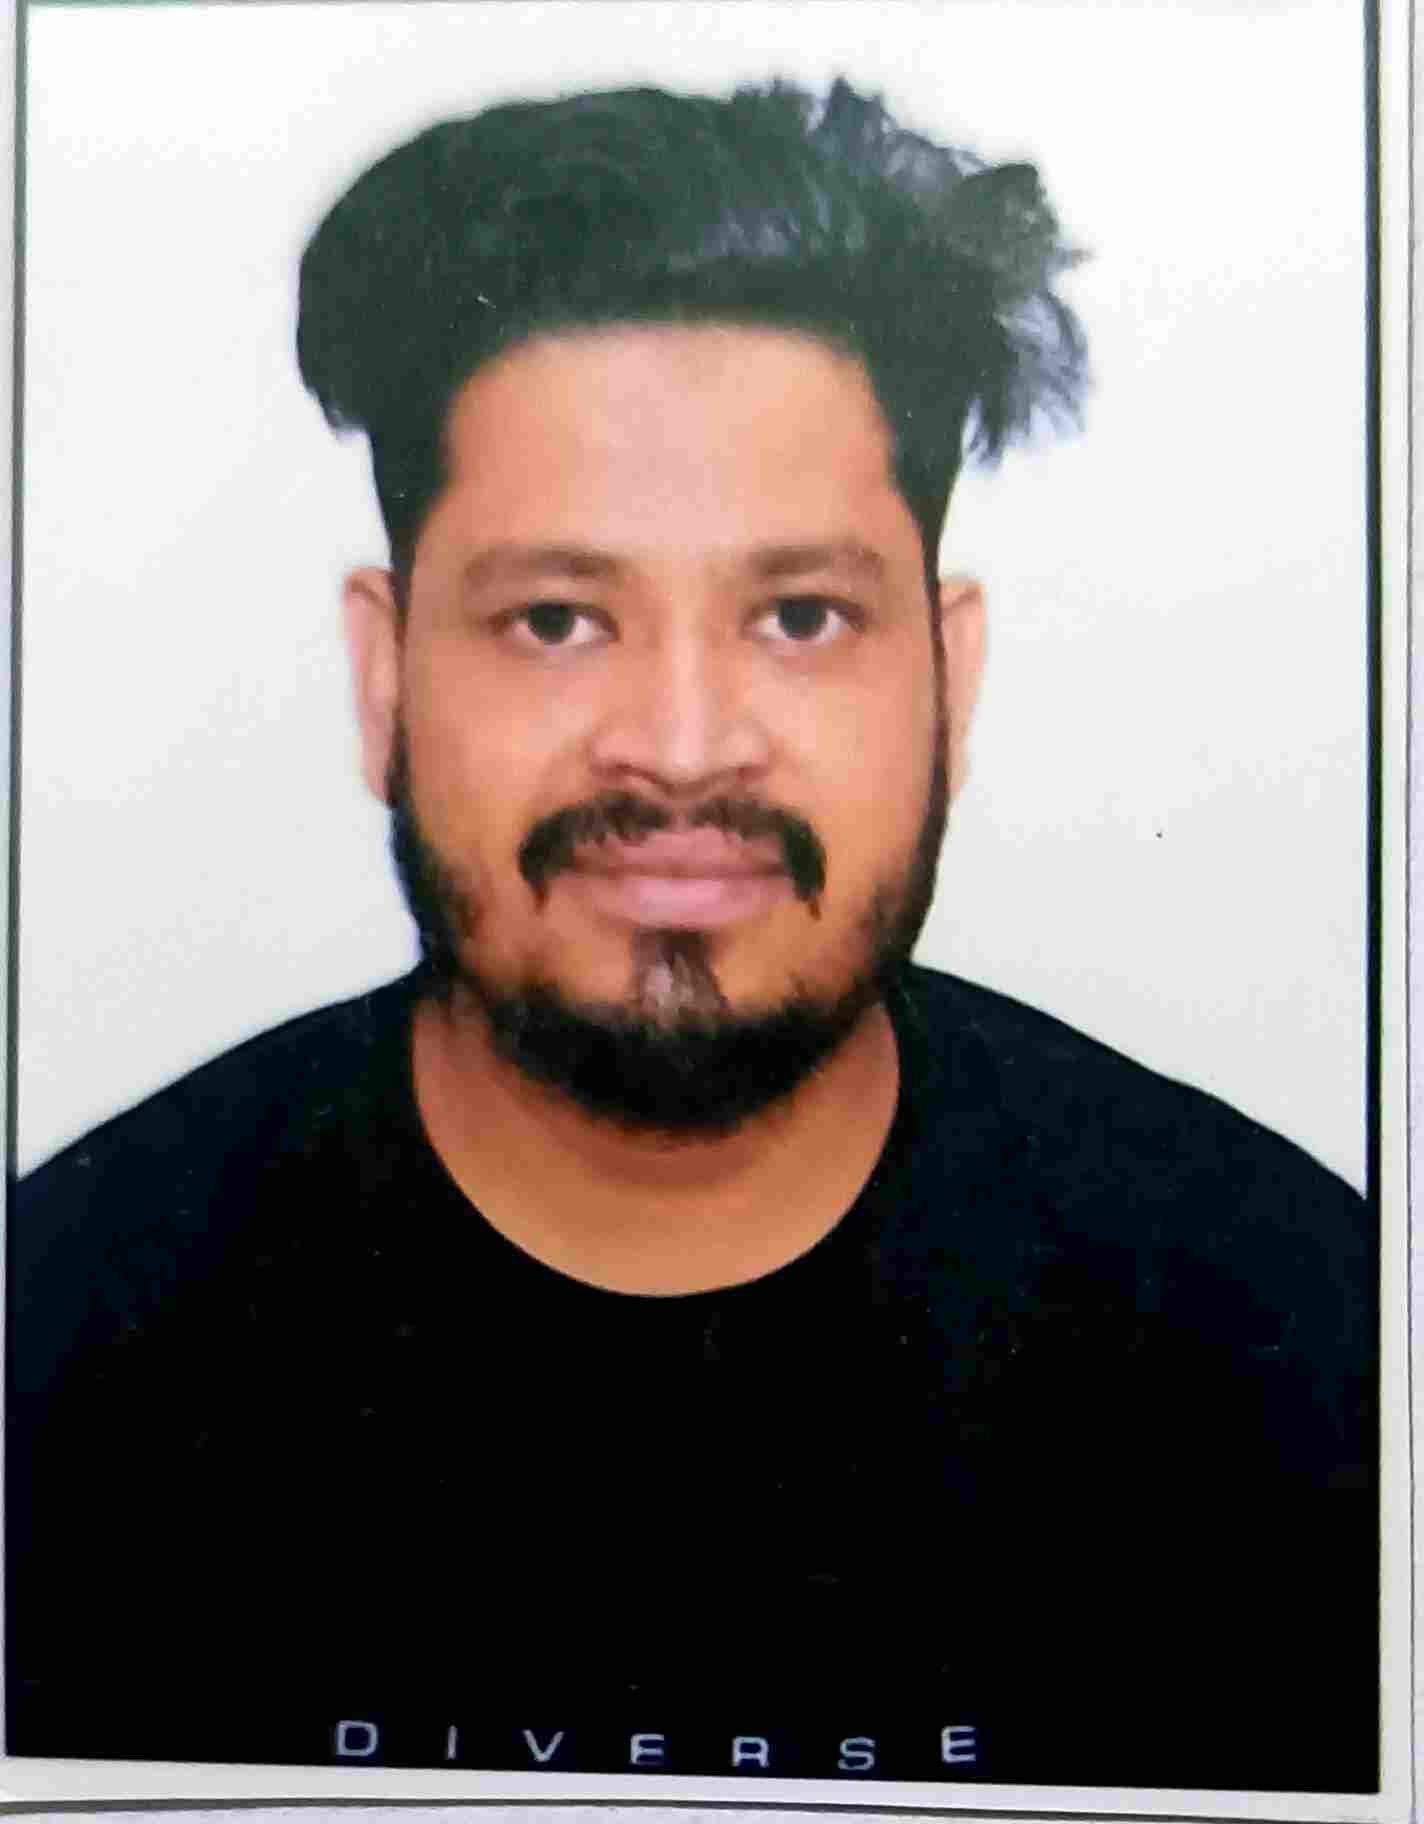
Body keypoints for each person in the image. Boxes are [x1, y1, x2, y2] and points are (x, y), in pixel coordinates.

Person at [8, 79, 1375, 1790]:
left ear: (949, 678)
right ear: (386, 676)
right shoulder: (55, 1350)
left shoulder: (1311, 1354)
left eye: (799, 617)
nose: (678, 745)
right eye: (555, 619)